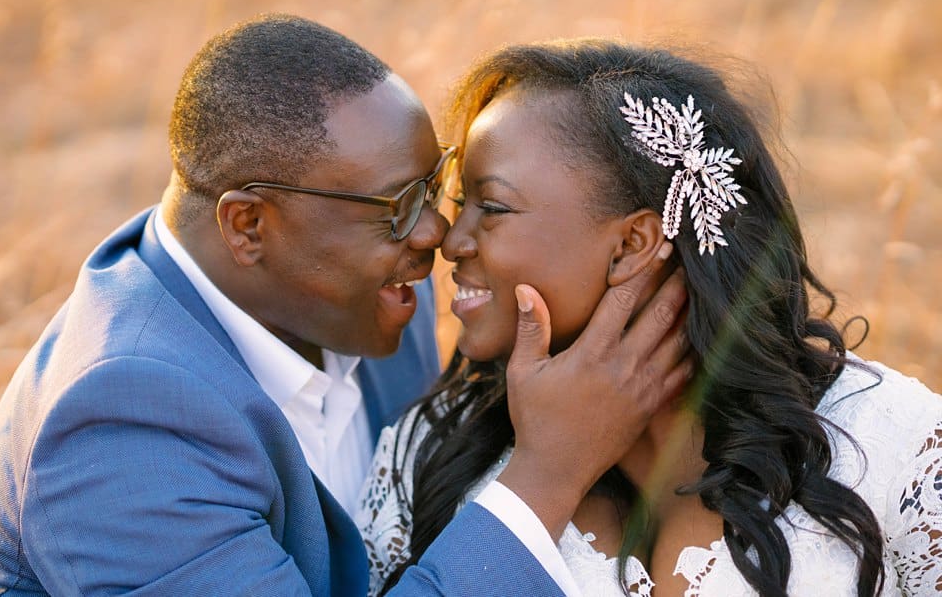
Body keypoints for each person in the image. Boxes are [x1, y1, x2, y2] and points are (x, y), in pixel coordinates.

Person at [0, 16, 691, 596]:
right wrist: (547, 474)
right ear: (249, 225)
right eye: (397, 207)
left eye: (433, 186)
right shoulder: (121, 422)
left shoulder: (361, 307)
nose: (435, 232)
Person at [358, 39, 942, 597]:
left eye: (494, 207)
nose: (450, 241)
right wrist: (541, 472)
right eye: (461, 205)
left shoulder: (890, 446)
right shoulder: (428, 453)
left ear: (633, 244)